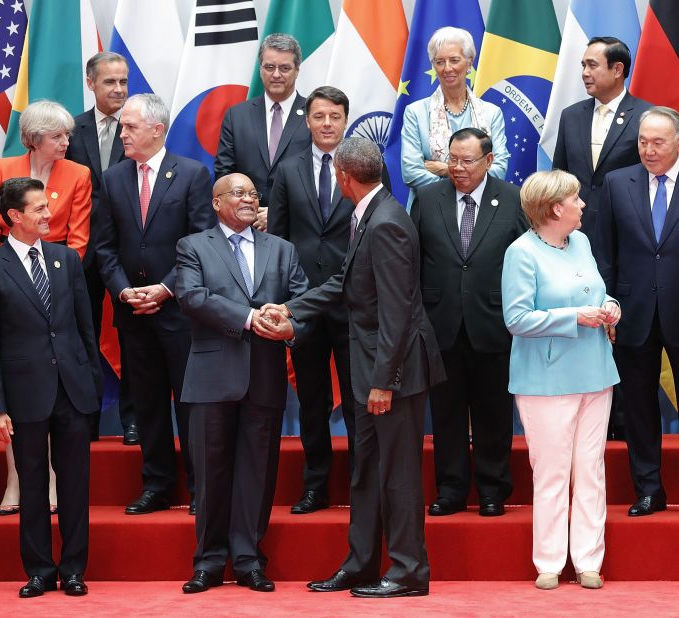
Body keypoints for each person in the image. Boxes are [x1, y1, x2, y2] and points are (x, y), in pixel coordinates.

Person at [269, 137, 445, 598]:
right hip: (372, 371)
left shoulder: (387, 222)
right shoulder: (369, 212)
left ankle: (408, 571)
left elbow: (397, 312)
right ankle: (363, 563)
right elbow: (344, 281)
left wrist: (384, 382)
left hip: (393, 374)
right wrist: (292, 309)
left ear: (345, 177)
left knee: (398, 473)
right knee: (367, 469)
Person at [176, 173, 308, 594]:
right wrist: (249, 318)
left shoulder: (282, 249)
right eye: (238, 193)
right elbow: (192, 297)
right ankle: (209, 562)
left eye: (254, 194)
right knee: (211, 474)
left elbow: (302, 300)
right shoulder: (193, 246)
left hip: (265, 379)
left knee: (257, 473)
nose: (249, 199)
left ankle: (249, 560)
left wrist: (290, 326)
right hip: (212, 378)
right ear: (216, 203)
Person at [0, 177, 102, 598]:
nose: (49, 214)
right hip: (24, 396)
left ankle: (75, 568)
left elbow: (86, 330)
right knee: (31, 484)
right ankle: (40, 571)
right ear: (14, 216)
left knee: (76, 484)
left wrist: (92, 385)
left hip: (73, 391)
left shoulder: (66, 259)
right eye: (40, 209)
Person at [595, 107, 679, 518]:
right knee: (637, 405)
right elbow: (605, 253)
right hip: (632, 313)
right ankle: (648, 489)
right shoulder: (618, 183)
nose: (648, 150)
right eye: (642, 141)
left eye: (657, 142)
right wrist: (609, 306)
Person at [268, 86, 390, 515]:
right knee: (312, 400)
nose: (325, 123)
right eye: (318, 115)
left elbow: (380, 227)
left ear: (345, 120)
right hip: (302, 304)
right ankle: (315, 486)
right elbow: (277, 239)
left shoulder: (367, 166)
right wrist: (283, 297)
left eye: (334, 116)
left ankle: (363, 486)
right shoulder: (287, 170)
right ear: (307, 120)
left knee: (360, 400)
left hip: (354, 303)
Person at [96, 93, 215, 516]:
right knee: (146, 404)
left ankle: (202, 488)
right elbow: (104, 248)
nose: (122, 132)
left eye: (129, 126)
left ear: (157, 129)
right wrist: (124, 290)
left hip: (180, 313)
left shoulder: (193, 175)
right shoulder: (112, 179)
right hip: (133, 313)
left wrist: (166, 289)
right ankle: (157, 485)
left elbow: (202, 245)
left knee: (191, 405)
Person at [502, 170, 621, 591]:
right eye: (575, 198)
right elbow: (516, 319)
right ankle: (549, 561)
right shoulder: (521, 253)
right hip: (546, 380)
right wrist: (575, 317)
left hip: (596, 371)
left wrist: (609, 306)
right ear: (555, 208)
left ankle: (589, 559)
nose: (583, 204)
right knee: (551, 472)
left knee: (591, 470)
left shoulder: (582, 243)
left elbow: (594, 291)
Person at [0, 100, 93, 517]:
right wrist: (8, 277)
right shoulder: (2, 168)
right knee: (16, 390)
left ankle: (54, 483)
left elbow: (78, 241)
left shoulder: (78, 174)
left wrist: (54, 276)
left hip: (58, 285)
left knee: (56, 392)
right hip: (8, 291)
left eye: (67, 135)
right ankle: (17, 480)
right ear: (34, 138)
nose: (66, 141)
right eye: (57, 136)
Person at [411, 127, 526, 517]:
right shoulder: (427, 200)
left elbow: (527, 261)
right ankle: (451, 489)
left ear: (489, 161)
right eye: (452, 159)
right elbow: (415, 262)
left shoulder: (513, 201)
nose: (457, 168)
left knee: (494, 411)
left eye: (467, 161)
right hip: (440, 324)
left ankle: (493, 490)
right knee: (446, 412)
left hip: (494, 322)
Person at [65, 50, 137, 445]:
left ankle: (133, 420)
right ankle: (86, 420)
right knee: (83, 336)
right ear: (91, 83)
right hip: (83, 252)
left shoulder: (140, 126)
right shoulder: (71, 131)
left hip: (132, 248)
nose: (119, 89)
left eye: (123, 81)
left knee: (135, 339)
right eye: (110, 81)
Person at [553, 36, 653, 246]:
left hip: (627, 230)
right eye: (583, 65)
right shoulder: (571, 116)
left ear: (617, 70)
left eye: (592, 65)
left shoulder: (647, 116)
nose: (584, 73)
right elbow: (559, 174)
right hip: (575, 230)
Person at [215, 33, 311, 231]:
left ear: (297, 70)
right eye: (269, 67)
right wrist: (249, 210)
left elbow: (318, 176)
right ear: (260, 70)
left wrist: (278, 213)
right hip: (245, 226)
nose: (276, 74)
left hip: (298, 228)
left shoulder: (314, 115)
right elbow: (224, 174)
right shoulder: (237, 116)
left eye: (284, 68)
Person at [401, 27, 509, 202]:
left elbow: (499, 170)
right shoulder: (415, 112)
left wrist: (445, 169)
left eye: (454, 60)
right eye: (440, 61)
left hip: (481, 208)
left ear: (469, 62)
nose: (447, 68)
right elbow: (411, 173)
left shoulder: (492, 113)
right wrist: (470, 174)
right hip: (430, 208)